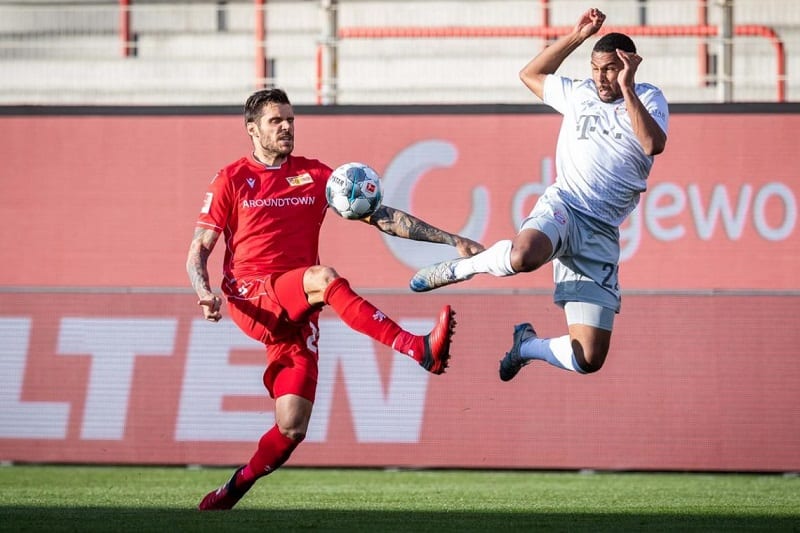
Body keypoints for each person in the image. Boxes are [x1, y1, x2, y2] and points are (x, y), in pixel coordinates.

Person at [187, 88, 483, 511]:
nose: (287, 127)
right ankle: (418, 349)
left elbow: (383, 216)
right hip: (252, 293)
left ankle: (229, 491)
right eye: (276, 121)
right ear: (252, 130)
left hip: (295, 310)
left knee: (291, 427)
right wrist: (203, 291)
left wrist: (452, 241)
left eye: (290, 119)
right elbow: (199, 248)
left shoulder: (315, 175)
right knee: (324, 278)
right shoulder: (231, 179)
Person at [410, 8, 668, 381]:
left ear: (629, 66)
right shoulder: (580, 92)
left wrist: (627, 87)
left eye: (610, 68)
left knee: (588, 358)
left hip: (601, 232)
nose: (601, 77)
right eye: (596, 68)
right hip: (566, 206)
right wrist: (577, 36)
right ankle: (459, 269)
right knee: (524, 255)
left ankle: (526, 346)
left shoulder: (647, 97)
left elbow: (651, 144)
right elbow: (530, 74)